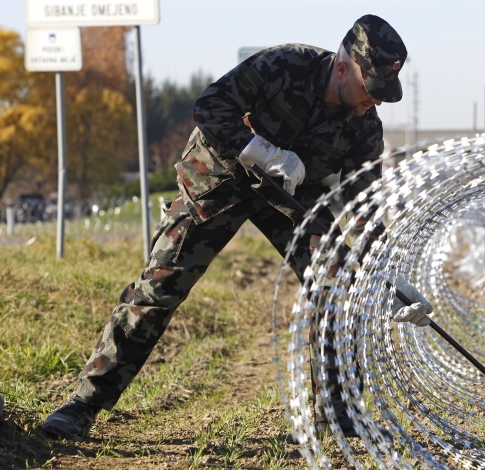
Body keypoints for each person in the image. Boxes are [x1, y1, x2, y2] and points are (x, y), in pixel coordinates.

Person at [42, 14, 433, 440]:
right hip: (221, 178)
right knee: (160, 287)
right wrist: (262, 150)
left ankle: (337, 416)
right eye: (369, 89)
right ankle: (83, 404)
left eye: (381, 95)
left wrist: (385, 276)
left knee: (339, 281)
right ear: (343, 67)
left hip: (289, 195)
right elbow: (209, 107)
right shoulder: (285, 66)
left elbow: (366, 202)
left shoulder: (364, 124)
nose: (373, 101)